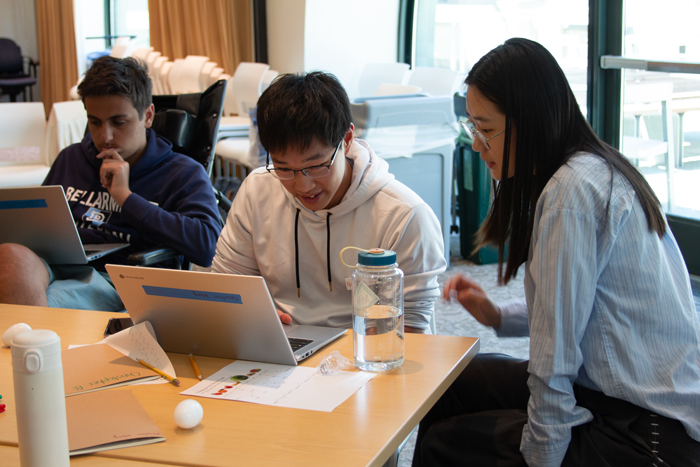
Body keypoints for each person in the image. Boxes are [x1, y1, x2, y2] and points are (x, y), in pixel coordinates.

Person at [413, 38, 700, 466]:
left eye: (486, 128)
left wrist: (541, 457)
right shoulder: (585, 169)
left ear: (529, 122)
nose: (476, 144)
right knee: (451, 381)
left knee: (447, 442)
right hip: (628, 401)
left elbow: (555, 357)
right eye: (472, 126)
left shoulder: (571, 194)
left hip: (647, 434)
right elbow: (572, 308)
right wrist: (498, 316)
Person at [211, 71, 446, 332]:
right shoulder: (257, 190)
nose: (303, 186)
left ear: (346, 140)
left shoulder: (405, 215)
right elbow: (227, 286)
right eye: (283, 168)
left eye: (316, 165)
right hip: (280, 348)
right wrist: (250, 316)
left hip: (368, 356)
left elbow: (411, 328)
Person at [0, 56, 221, 311]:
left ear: (148, 116)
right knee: (11, 257)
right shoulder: (72, 158)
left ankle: (34, 342)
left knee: (35, 299)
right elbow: (34, 223)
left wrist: (125, 198)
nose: (104, 136)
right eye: (94, 122)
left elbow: (206, 247)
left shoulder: (182, 173)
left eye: (119, 122)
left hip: (119, 281)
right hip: (55, 265)